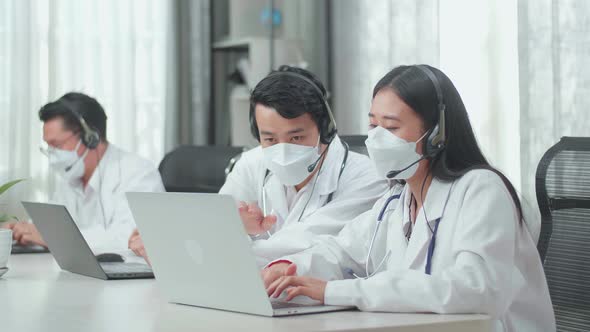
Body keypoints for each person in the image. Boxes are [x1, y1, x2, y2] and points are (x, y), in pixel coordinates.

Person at [262, 65, 555, 331]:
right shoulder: (397, 200)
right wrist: (287, 269)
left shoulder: (482, 190)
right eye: (374, 126)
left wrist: (334, 291)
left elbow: (475, 289)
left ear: (436, 133)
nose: (376, 139)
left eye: (390, 127)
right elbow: (340, 252)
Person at [129, 65, 388, 266]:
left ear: (326, 129)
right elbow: (211, 225)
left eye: (296, 137)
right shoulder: (253, 163)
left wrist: (195, 248)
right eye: (270, 139)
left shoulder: (366, 178)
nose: (283, 149)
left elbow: (299, 245)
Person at [3, 92, 164, 252]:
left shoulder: (138, 172)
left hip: (130, 276)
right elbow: (48, 226)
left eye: (57, 145)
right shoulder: (72, 176)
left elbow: (130, 238)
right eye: (48, 147)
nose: (52, 155)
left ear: (90, 137)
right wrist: (21, 231)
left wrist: (55, 238)